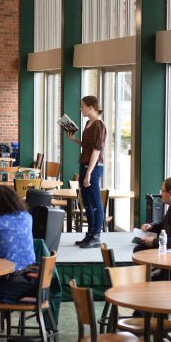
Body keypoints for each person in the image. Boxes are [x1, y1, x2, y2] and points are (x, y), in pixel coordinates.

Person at [67, 95, 107, 249]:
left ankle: (96, 235)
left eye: (82, 106)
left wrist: (89, 172)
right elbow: (87, 146)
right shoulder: (88, 123)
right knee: (87, 203)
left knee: (96, 203)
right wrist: (74, 140)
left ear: (91, 108)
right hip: (84, 164)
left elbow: (96, 151)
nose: (81, 109)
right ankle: (90, 234)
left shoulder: (99, 125)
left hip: (94, 167)